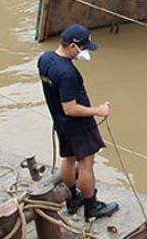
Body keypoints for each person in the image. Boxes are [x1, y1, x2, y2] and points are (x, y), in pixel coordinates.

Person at [38, 25, 119, 220]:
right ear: (73, 46)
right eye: (83, 48)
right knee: (86, 163)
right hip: (78, 125)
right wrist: (98, 111)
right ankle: (91, 207)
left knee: (68, 158)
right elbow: (70, 108)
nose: (84, 52)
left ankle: (72, 198)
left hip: (60, 122)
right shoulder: (68, 73)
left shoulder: (45, 59)